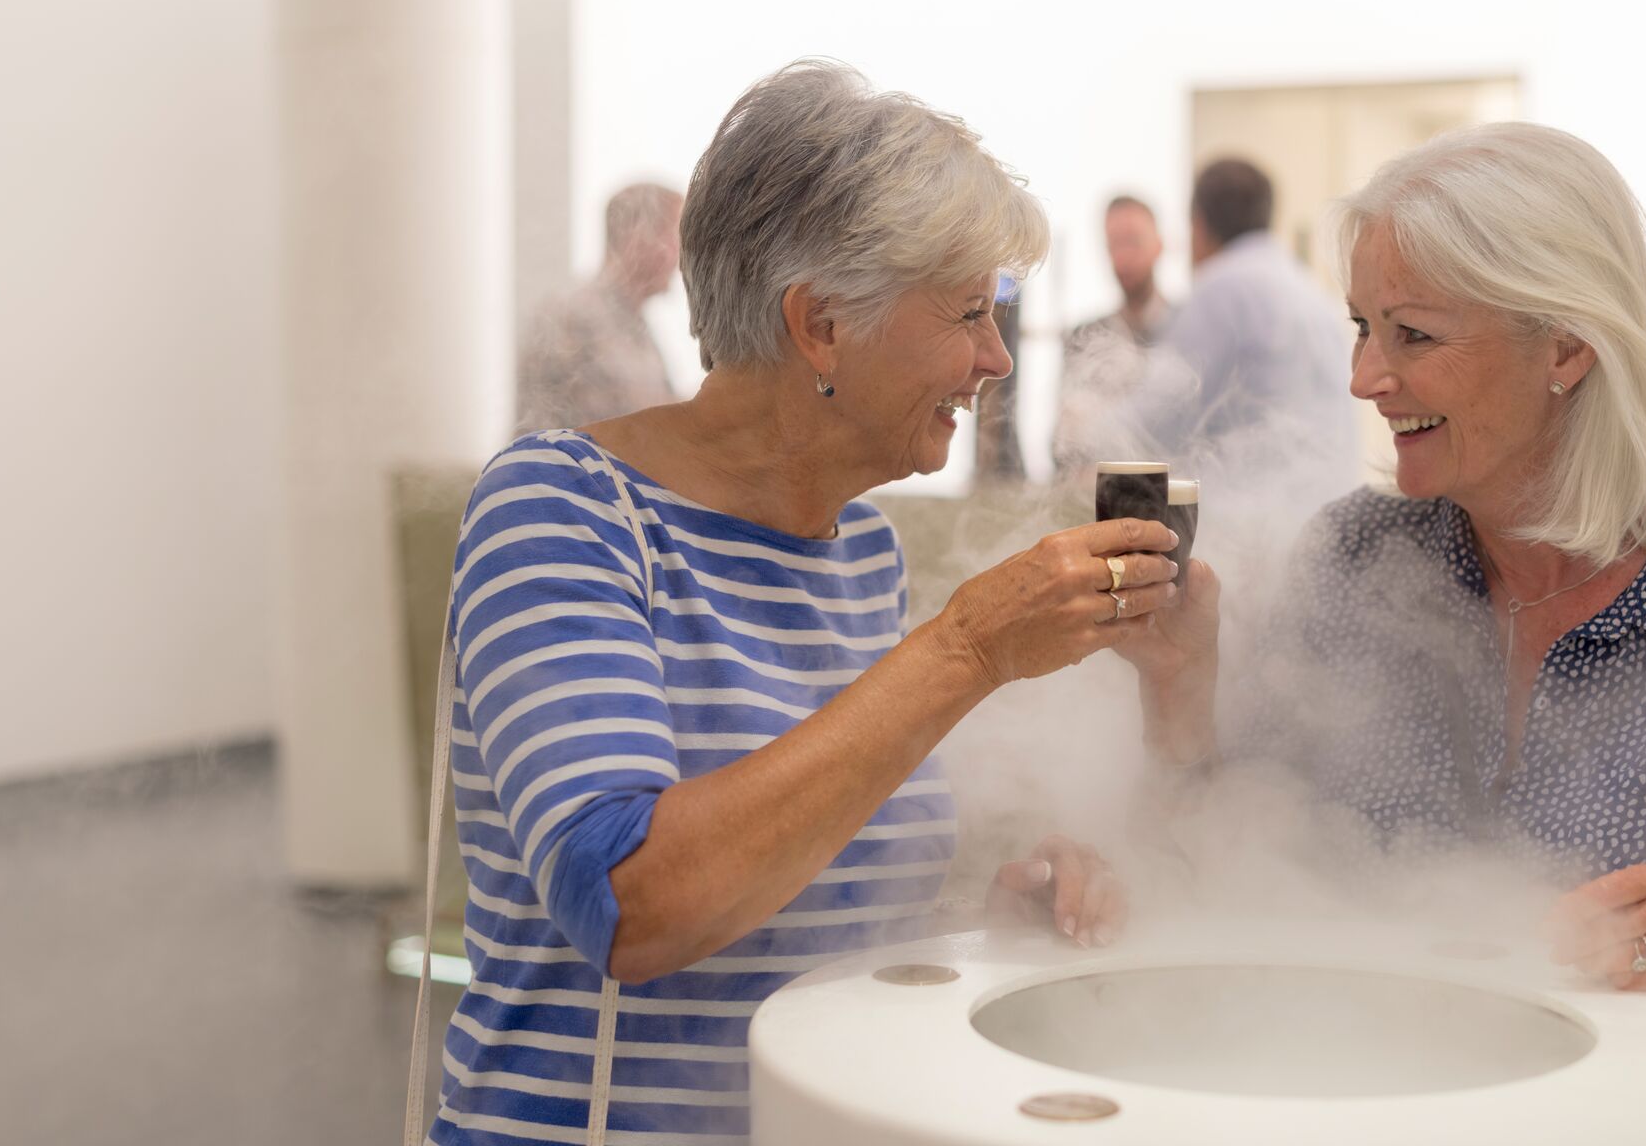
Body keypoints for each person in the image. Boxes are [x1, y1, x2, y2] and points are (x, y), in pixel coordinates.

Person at [426, 61, 1183, 1143]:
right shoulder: (561, 506)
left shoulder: (857, 546)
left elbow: (801, 875)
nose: (995, 358)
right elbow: (632, 902)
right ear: (821, 323)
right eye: (969, 311)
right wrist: (964, 647)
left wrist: (988, 914)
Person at [1136, 123, 1646, 1057]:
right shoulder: (1352, 555)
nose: (1364, 379)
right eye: (1361, 328)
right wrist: (1176, 688)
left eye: (1412, 333)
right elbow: (1233, 866)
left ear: (1567, 350)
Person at [1134, 158, 1356, 473]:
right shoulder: (1309, 289)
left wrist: (1085, 428)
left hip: (1259, 510)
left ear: (1199, 224)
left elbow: (1160, 414)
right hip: (1331, 503)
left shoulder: (1221, 289)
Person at [515, 182, 684, 432]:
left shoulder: (635, 326)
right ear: (638, 236)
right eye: (676, 236)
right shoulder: (571, 318)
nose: (681, 254)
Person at [1051, 195, 1176, 474]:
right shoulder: (1085, 337)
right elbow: (1063, 444)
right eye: (1114, 245)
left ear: (1159, 245)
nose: (1123, 258)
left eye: (1133, 241)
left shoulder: (1187, 329)